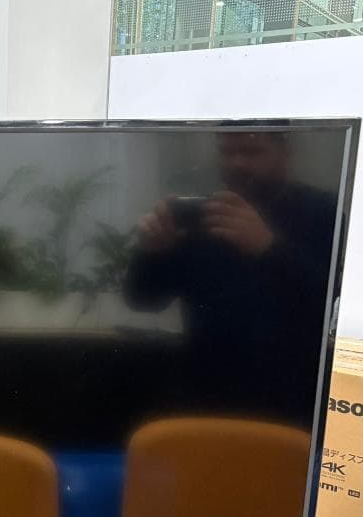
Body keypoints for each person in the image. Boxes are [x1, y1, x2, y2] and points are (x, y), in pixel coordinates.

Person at [125, 131, 340, 424]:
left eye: (252, 151)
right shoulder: (204, 216)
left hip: (296, 403)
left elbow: (334, 308)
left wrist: (269, 248)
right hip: (207, 399)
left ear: (285, 155)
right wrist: (153, 252)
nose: (237, 162)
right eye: (227, 152)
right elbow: (142, 300)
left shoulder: (323, 212)